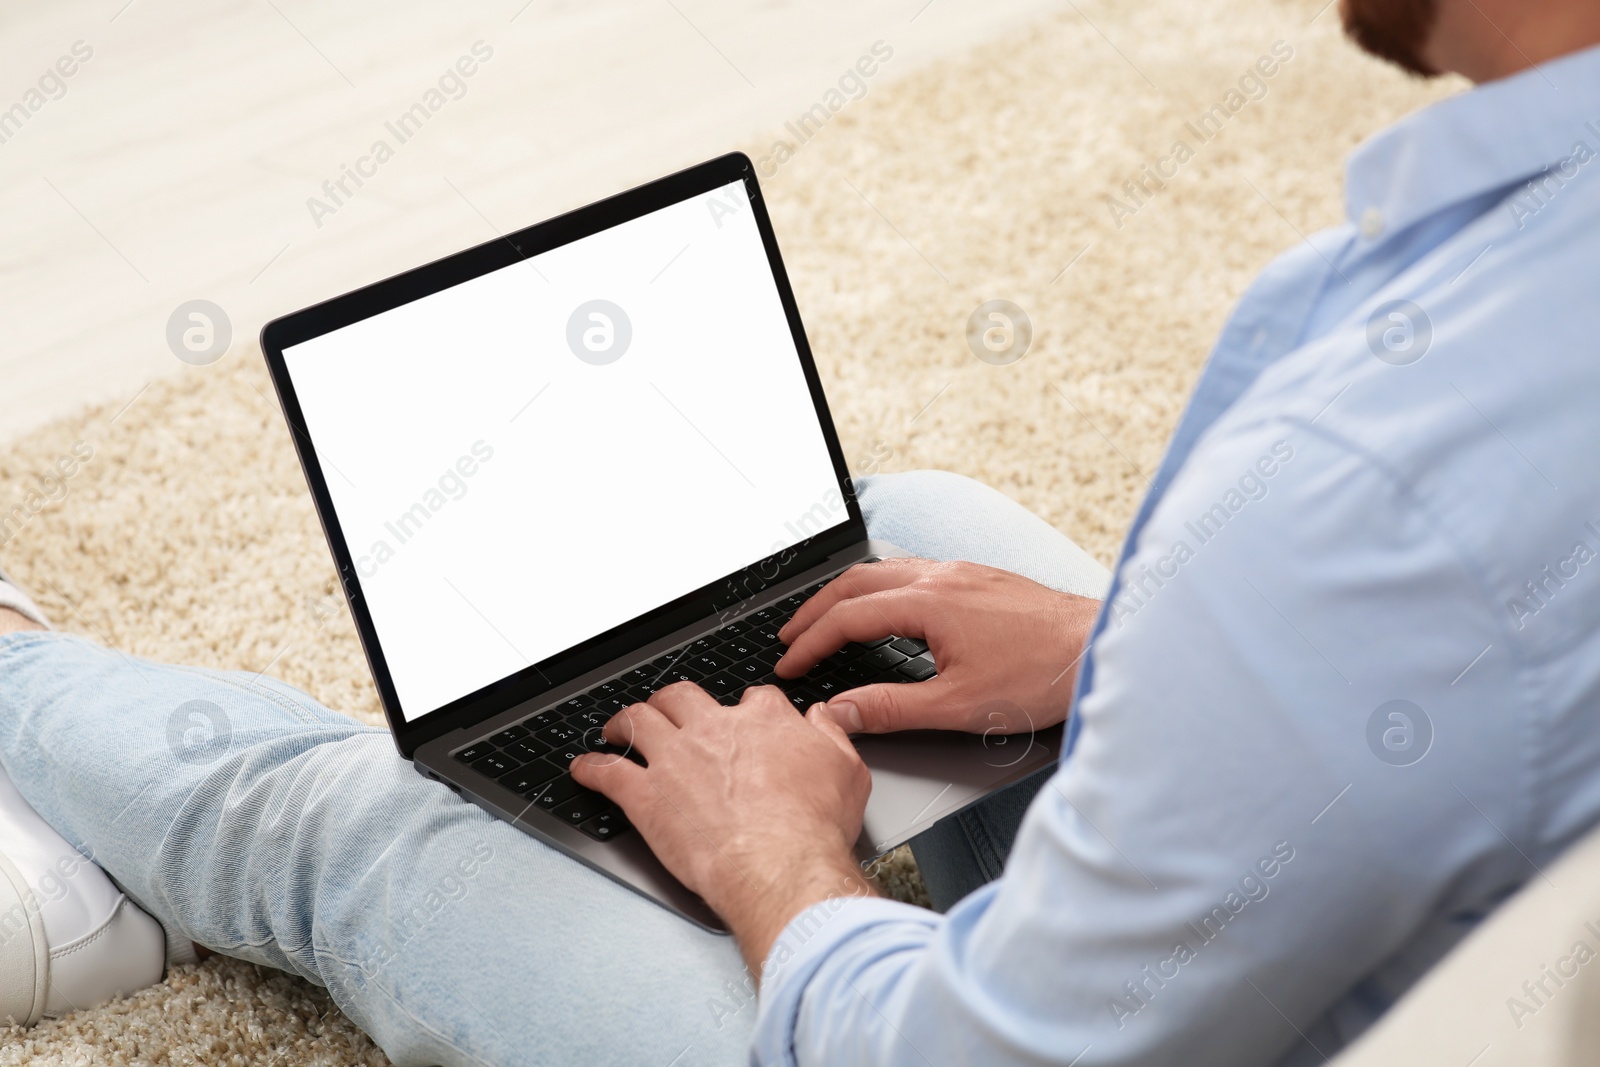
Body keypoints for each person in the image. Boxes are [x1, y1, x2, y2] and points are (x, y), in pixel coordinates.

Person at [3, 0, 1599, 1060]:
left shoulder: (1369, 487)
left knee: (382, 825)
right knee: (894, 543)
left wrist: (784, 870)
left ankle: (24, 684)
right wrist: (1141, 645)